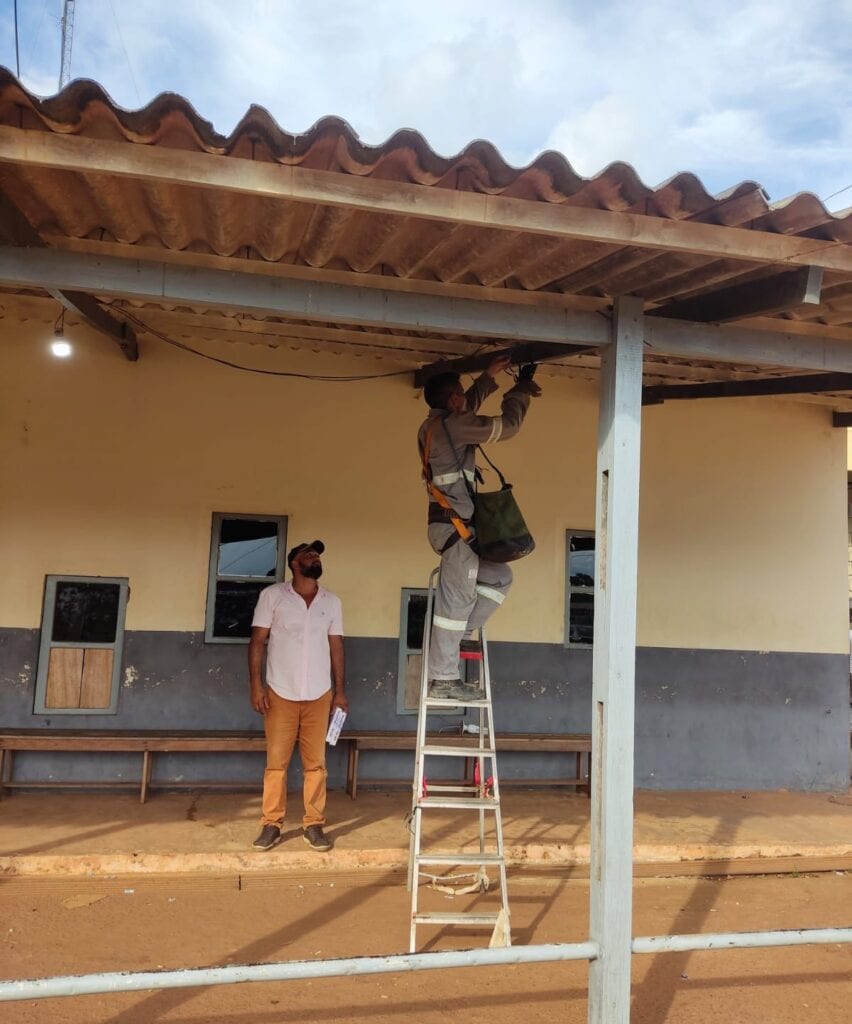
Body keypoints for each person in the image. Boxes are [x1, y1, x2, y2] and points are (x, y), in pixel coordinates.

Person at [417, 355, 542, 700]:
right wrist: (519, 391)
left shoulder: (437, 424)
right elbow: (508, 426)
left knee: (500, 577)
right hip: (456, 529)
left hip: (456, 529)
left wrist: (488, 377)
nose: (464, 398)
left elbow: (465, 406)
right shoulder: (454, 426)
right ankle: (443, 679)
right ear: (451, 400)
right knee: (454, 602)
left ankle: (460, 634)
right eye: (460, 393)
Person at [248, 540, 347, 853]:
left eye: (317, 554)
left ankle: (314, 824)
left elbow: (336, 647)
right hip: (280, 691)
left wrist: (340, 692)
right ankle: (271, 823)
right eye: (308, 554)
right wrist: (256, 685)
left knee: (315, 764)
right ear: (294, 563)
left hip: (319, 693)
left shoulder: (331, 602)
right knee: (276, 764)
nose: (314, 557)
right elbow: (257, 643)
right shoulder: (273, 597)